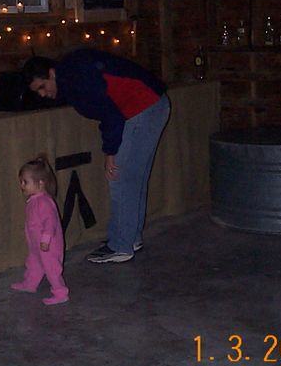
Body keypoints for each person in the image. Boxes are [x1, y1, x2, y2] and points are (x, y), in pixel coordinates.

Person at [23, 48, 171, 264]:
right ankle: (130, 238)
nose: (43, 94)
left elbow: (110, 114)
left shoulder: (77, 76)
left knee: (119, 178)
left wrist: (111, 152)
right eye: (38, 91)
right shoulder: (70, 78)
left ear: (52, 73)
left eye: (42, 87)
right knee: (133, 178)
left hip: (143, 106)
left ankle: (121, 245)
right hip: (150, 104)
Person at [11, 156, 69, 305]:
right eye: (21, 181)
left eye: (25, 182)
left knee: (51, 268)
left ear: (41, 183)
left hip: (48, 246)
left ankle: (60, 293)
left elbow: (50, 223)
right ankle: (30, 283)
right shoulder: (34, 200)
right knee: (33, 263)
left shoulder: (44, 202)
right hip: (36, 244)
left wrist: (45, 240)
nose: (22, 185)